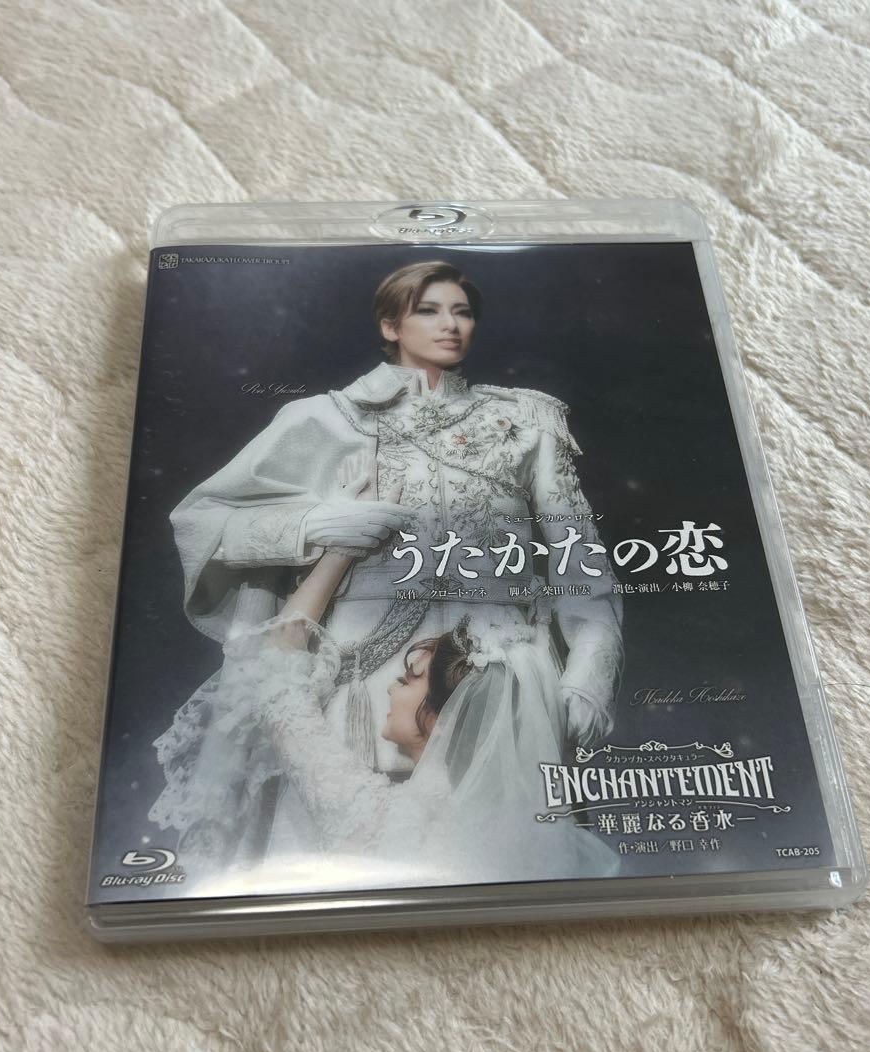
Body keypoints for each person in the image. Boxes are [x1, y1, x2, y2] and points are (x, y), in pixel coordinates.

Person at [167, 261, 623, 777]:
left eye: (462, 312)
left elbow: (580, 560)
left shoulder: (527, 422)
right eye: (428, 311)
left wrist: (590, 675)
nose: (450, 325)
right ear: (390, 326)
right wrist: (311, 526)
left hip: (503, 675)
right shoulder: (327, 418)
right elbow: (201, 521)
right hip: (365, 676)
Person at [152, 453, 619, 888]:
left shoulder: (369, 814)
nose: (394, 685)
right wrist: (312, 522)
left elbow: (275, 670)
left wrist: (339, 549)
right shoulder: (531, 840)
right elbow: (204, 518)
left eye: (410, 679)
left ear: (441, 717)